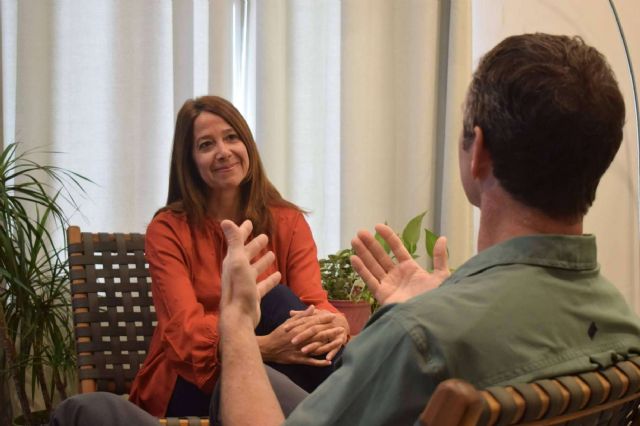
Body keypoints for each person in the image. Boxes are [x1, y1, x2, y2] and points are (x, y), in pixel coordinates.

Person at [217, 33, 640, 425]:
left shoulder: (420, 339)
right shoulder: (622, 324)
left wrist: (236, 323)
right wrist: (441, 305)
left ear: (479, 154)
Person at [127, 95, 349, 417]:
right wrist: (259, 347)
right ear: (189, 161)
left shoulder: (287, 219)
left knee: (281, 312)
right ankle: (358, 404)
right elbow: (183, 334)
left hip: (277, 374)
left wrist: (337, 323)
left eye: (232, 137)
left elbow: (312, 302)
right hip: (190, 378)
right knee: (271, 299)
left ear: (247, 144)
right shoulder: (168, 229)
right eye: (206, 145)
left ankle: (346, 401)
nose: (223, 152)